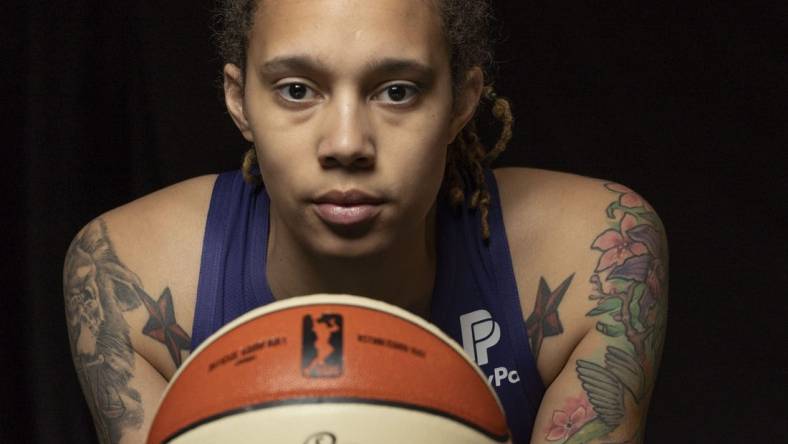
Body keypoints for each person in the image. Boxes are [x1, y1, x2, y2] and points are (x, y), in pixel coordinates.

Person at [63, 0, 668, 443]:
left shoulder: (596, 256)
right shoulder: (128, 274)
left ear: (461, 101)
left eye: (397, 91)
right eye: (297, 89)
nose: (347, 143)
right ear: (239, 98)